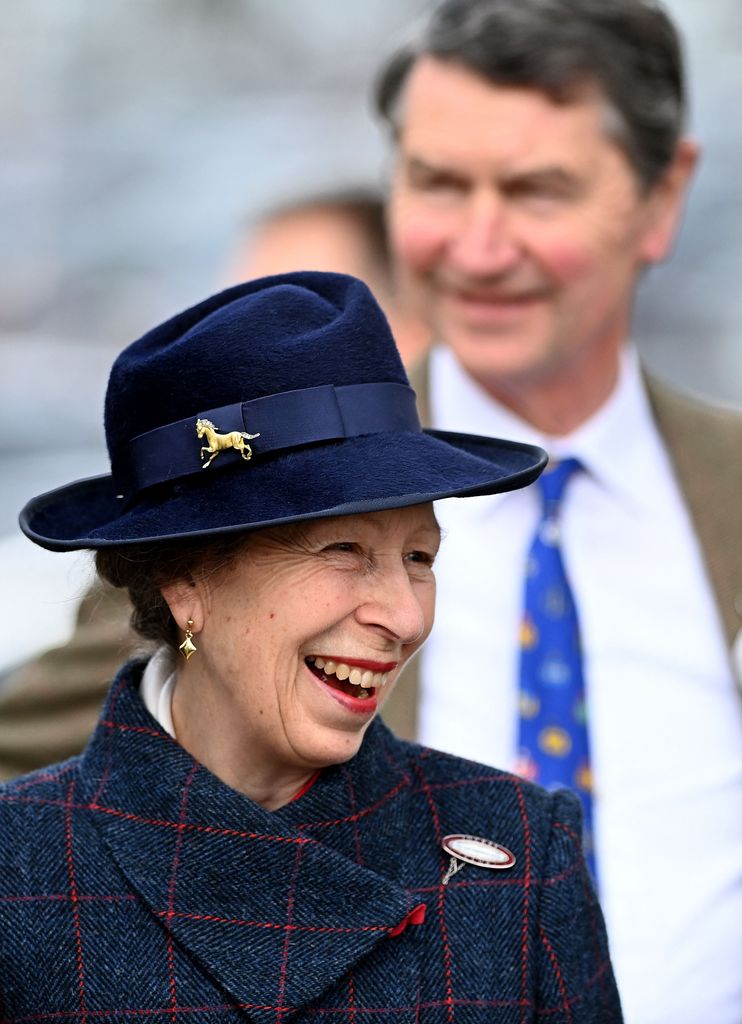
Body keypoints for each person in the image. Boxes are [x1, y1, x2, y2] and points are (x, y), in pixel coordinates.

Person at [0, 271, 621, 1020]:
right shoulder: (19, 869)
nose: (403, 616)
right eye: (342, 550)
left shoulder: (519, 855)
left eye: (419, 559)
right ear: (185, 580)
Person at [373, 1, 742, 1022]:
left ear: (662, 196)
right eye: (440, 184)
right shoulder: (266, 503)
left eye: (537, 191)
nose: (480, 248)